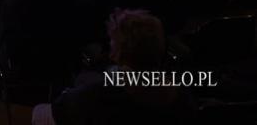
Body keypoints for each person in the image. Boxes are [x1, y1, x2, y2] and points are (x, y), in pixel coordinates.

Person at [35, 10, 195, 125]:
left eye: (112, 41)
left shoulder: (96, 93)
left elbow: (49, 114)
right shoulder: (181, 94)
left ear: (117, 51)